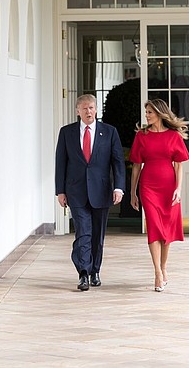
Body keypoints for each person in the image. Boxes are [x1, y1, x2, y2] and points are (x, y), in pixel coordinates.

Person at [55, 94, 126, 291]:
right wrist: (60, 190)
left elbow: (118, 162)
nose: (89, 112)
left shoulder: (109, 132)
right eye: (84, 108)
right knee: (83, 233)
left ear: (96, 110)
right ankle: (83, 273)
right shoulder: (66, 133)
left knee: (97, 235)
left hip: (101, 191)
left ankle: (95, 270)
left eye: (92, 108)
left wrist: (118, 187)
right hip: (75, 191)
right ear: (78, 111)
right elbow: (60, 162)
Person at [129, 99, 189, 292]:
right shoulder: (142, 136)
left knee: (166, 232)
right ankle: (156, 272)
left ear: (159, 113)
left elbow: (179, 165)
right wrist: (133, 192)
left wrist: (178, 189)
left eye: (149, 112)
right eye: (146, 112)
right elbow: (136, 166)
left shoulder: (173, 136)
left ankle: (164, 267)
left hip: (169, 188)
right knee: (154, 228)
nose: (146, 115)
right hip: (148, 187)